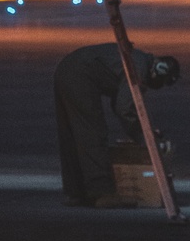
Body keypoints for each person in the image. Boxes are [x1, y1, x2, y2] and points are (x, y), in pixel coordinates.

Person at [54, 42, 181, 207]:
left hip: (67, 69)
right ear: (159, 70)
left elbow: (121, 103)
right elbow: (125, 109)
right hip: (79, 75)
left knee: (72, 135)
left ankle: (76, 192)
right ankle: (101, 191)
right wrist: (143, 138)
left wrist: (141, 129)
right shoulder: (139, 68)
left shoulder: (137, 61)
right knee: (92, 133)